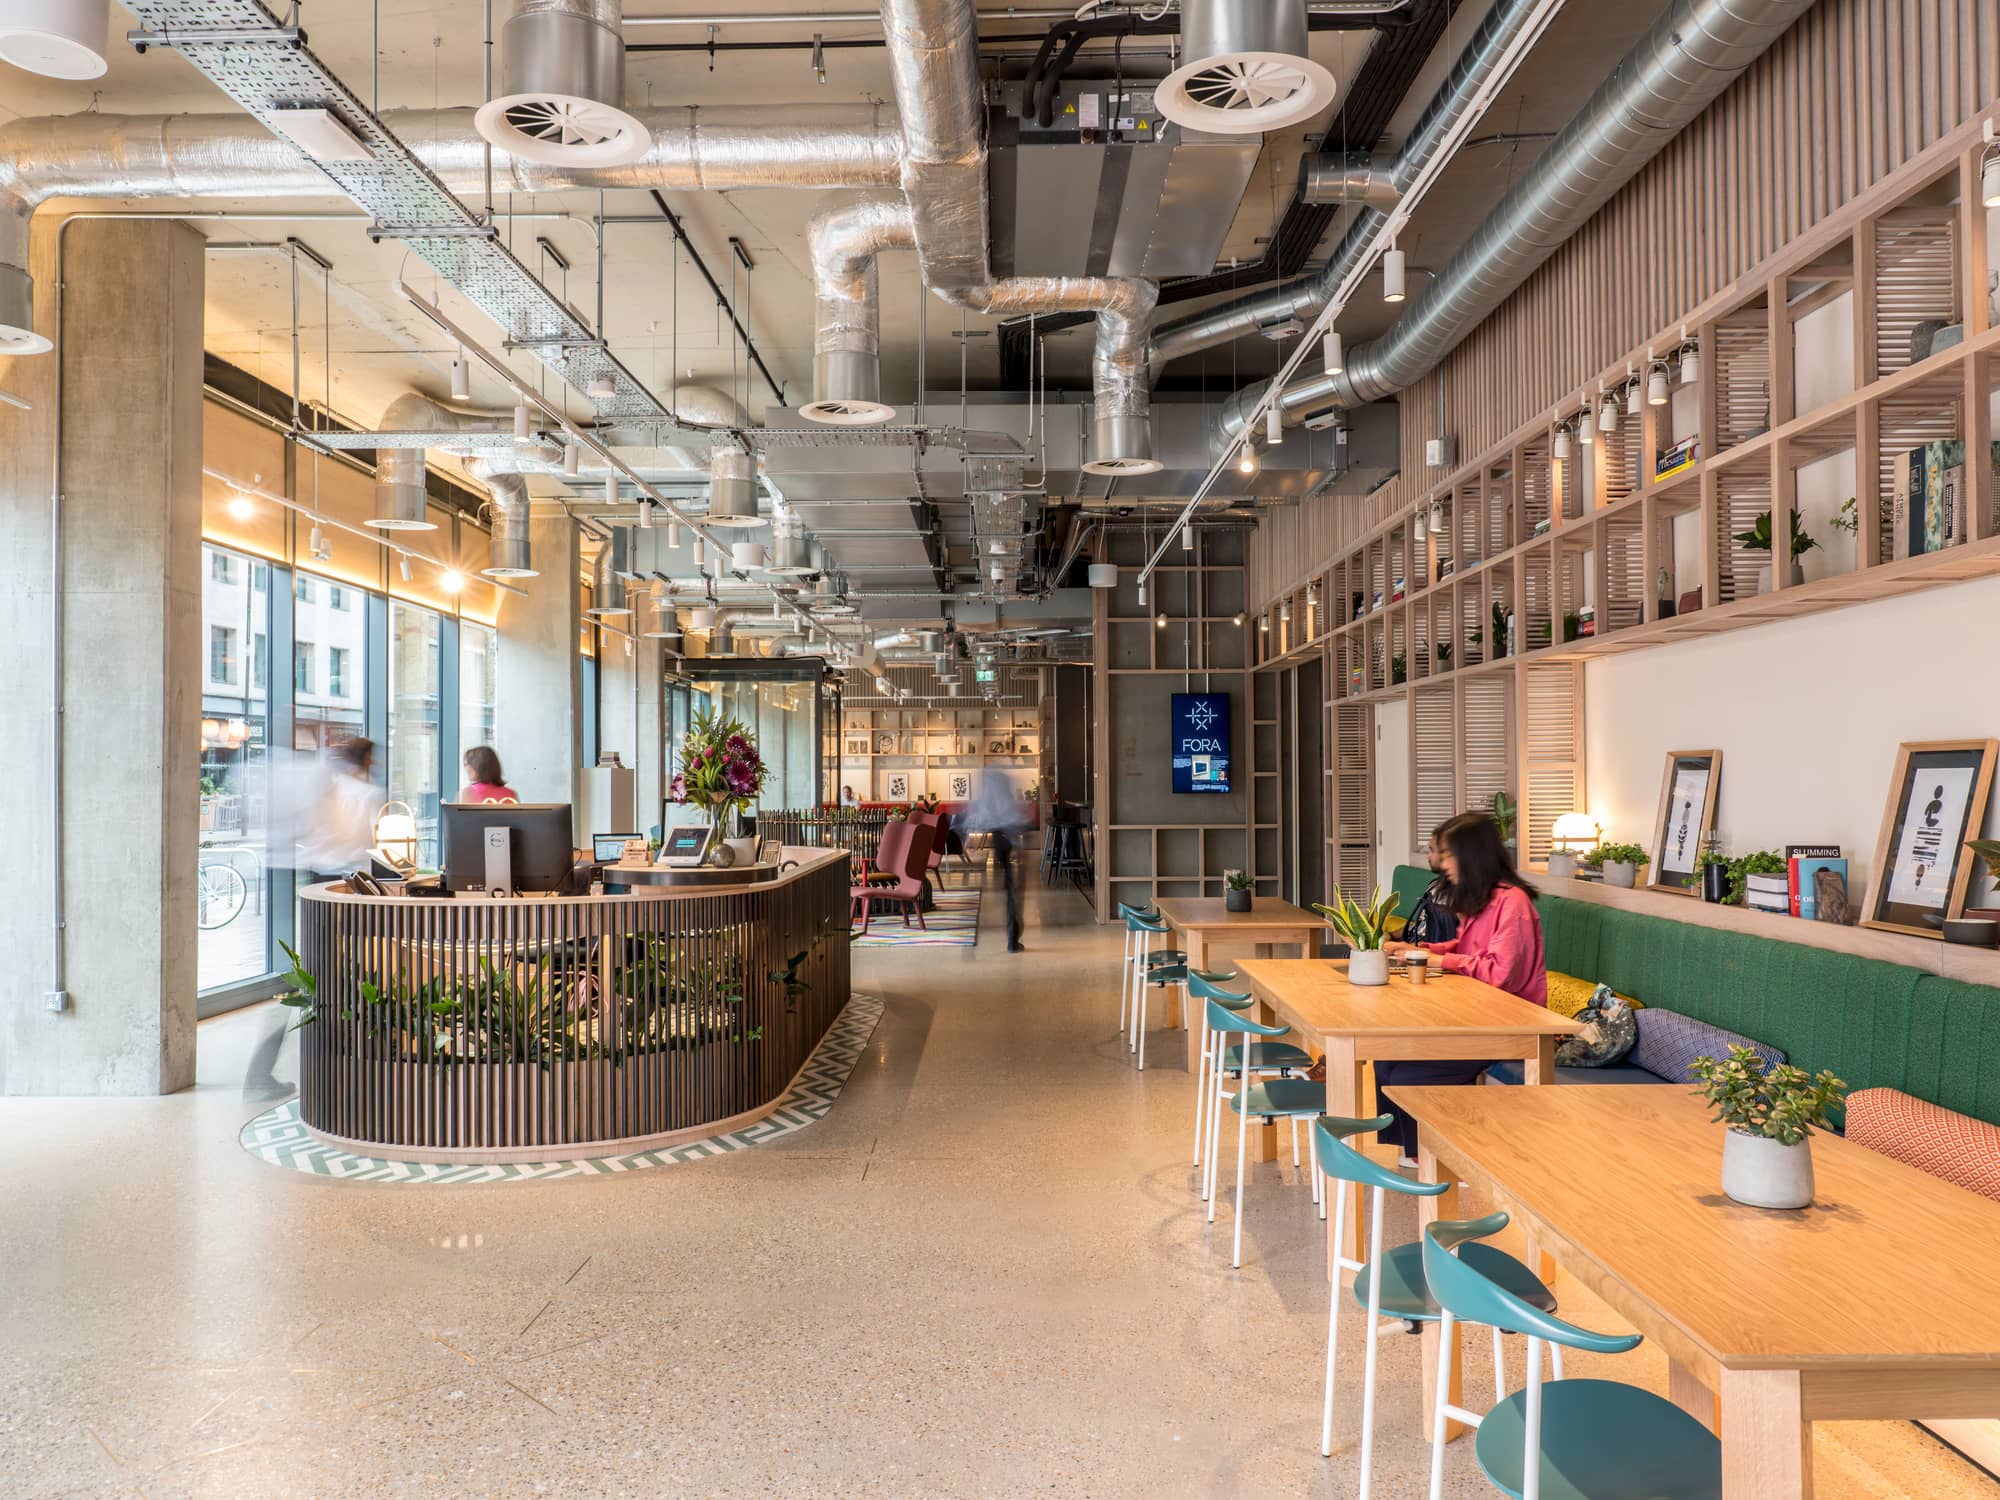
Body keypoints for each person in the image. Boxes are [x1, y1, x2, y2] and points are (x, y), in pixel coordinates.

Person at [1375, 810, 1547, 1166]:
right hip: (1475, 1014)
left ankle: (1452, 1160)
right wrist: (1417, 951)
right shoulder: (1481, 900)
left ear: (1472, 856)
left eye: (1449, 855)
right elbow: (1464, 950)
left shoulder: (1512, 903)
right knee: (1387, 1056)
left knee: (1410, 1074)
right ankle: (1416, 1151)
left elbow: (1499, 975)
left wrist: (1436, 961)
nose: (1442, 864)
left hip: (1511, 1024)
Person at [295, 736, 384, 881]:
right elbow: (378, 839)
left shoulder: (329, 788)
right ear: (367, 759)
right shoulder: (370, 794)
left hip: (321, 867)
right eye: (372, 756)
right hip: (354, 873)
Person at [964, 775, 1029, 952]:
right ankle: (1013, 940)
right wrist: (1019, 845)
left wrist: (970, 832)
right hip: (1007, 839)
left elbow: (978, 813)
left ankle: (1013, 937)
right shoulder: (1005, 792)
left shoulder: (988, 794)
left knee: (1008, 887)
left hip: (997, 838)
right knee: (1013, 889)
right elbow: (1013, 818)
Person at [1399, 824, 1461, 946]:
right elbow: (1421, 927)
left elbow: (1445, 945)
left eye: (1432, 850)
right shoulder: (1434, 885)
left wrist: (1406, 949)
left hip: (1425, 955)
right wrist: (1388, 934)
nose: (1428, 856)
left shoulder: (1461, 896)